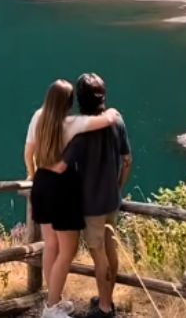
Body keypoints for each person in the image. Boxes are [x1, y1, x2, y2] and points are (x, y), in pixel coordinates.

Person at [24, 79, 122, 318]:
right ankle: (51, 307)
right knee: (67, 251)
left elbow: (28, 152)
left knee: (51, 245)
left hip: (41, 185)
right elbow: (108, 119)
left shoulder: (38, 116)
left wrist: (33, 174)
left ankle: (54, 301)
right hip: (62, 189)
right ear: (69, 103)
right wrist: (112, 111)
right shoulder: (72, 123)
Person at [63, 73, 132, 318]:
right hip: (112, 201)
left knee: (98, 253)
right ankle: (107, 299)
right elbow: (127, 160)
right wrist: (118, 187)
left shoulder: (80, 130)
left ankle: (104, 308)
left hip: (91, 204)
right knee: (110, 250)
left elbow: (65, 166)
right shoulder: (118, 121)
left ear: (81, 99)